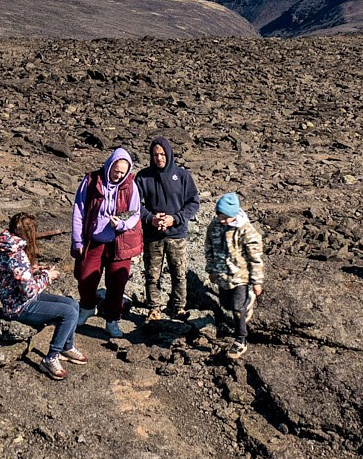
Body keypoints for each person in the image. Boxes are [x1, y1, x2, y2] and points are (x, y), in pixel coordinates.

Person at [0, 212, 87, 379]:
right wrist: (47, 277)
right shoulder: (16, 254)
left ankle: (67, 346)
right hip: (19, 306)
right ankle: (51, 358)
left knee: (72, 304)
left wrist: (36, 269)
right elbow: (28, 290)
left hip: (20, 298)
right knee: (69, 312)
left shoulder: (8, 244)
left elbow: (17, 273)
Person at [70, 146, 143, 340]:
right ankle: (87, 307)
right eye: (115, 171)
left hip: (119, 242)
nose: (118, 175)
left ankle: (112, 320)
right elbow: (79, 209)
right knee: (85, 277)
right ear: (109, 165)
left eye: (122, 172)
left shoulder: (131, 186)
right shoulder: (92, 181)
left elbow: (135, 213)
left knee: (117, 283)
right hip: (93, 241)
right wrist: (78, 239)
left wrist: (121, 224)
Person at [135, 136, 200, 320]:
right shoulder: (143, 176)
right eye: (155, 154)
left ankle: (178, 307)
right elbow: (135, 205)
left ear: (169, 154)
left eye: (162, 154)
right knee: (152, 274)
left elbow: (193, 202)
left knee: (179, 274)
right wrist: (150, 218)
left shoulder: (182, 176)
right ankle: (153, 308)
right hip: (152, 235)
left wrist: (175, 219)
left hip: (177, 234)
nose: (159, 158)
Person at [204, 191, 264, 360]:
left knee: (237, 309)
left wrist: (257, 281)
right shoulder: (214, 226)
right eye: (219, 216)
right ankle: (247, 302)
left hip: (240, 277)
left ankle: (240, 340)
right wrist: (211, 270)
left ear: (233, 214)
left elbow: (255, 258)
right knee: (226, 305)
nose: (221, 220)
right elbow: (209, 248)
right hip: (222, 276)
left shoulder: (246, 231)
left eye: (225, 217)